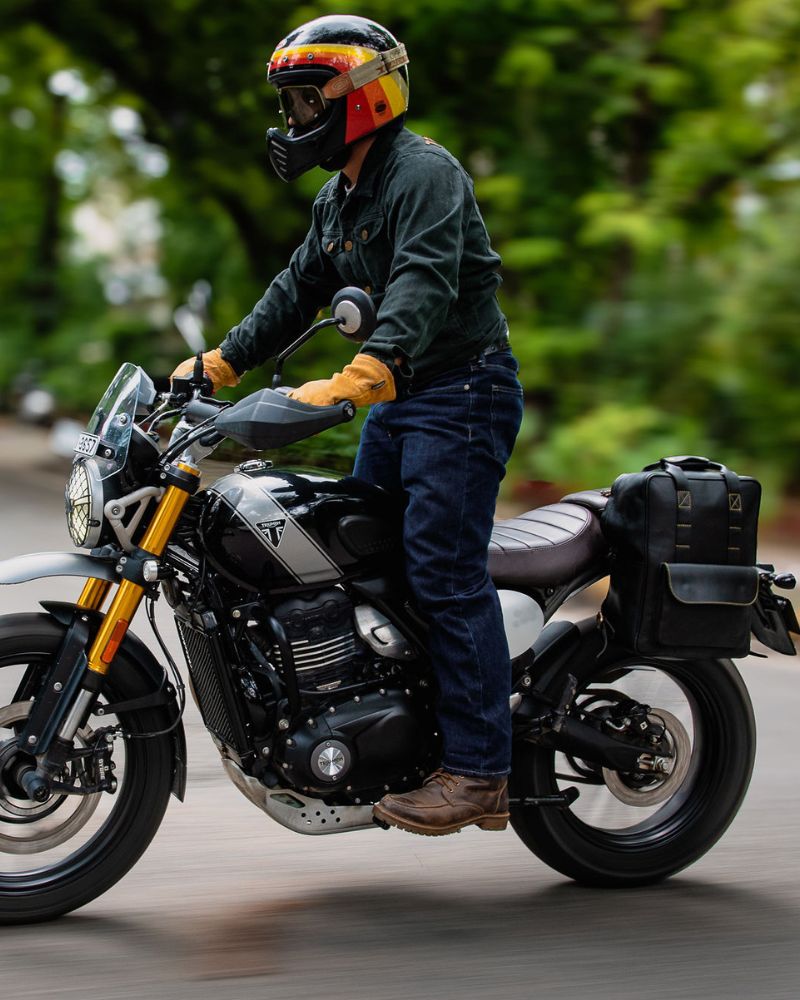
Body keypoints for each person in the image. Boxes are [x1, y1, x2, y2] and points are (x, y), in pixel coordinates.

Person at [173, 14, 524, 836]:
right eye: (290, 104)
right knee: (358, 553)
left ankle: (479, 771)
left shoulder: (424, 174)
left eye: (302, 102)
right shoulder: (340, 197)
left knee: (440, 569)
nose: (290, 121)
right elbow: (295, 292)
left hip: (461, 394)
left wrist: (368, 371)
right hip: (403, 398)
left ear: (360, 98)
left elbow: (424, 283)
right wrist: (218, 363)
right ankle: (387, 719)